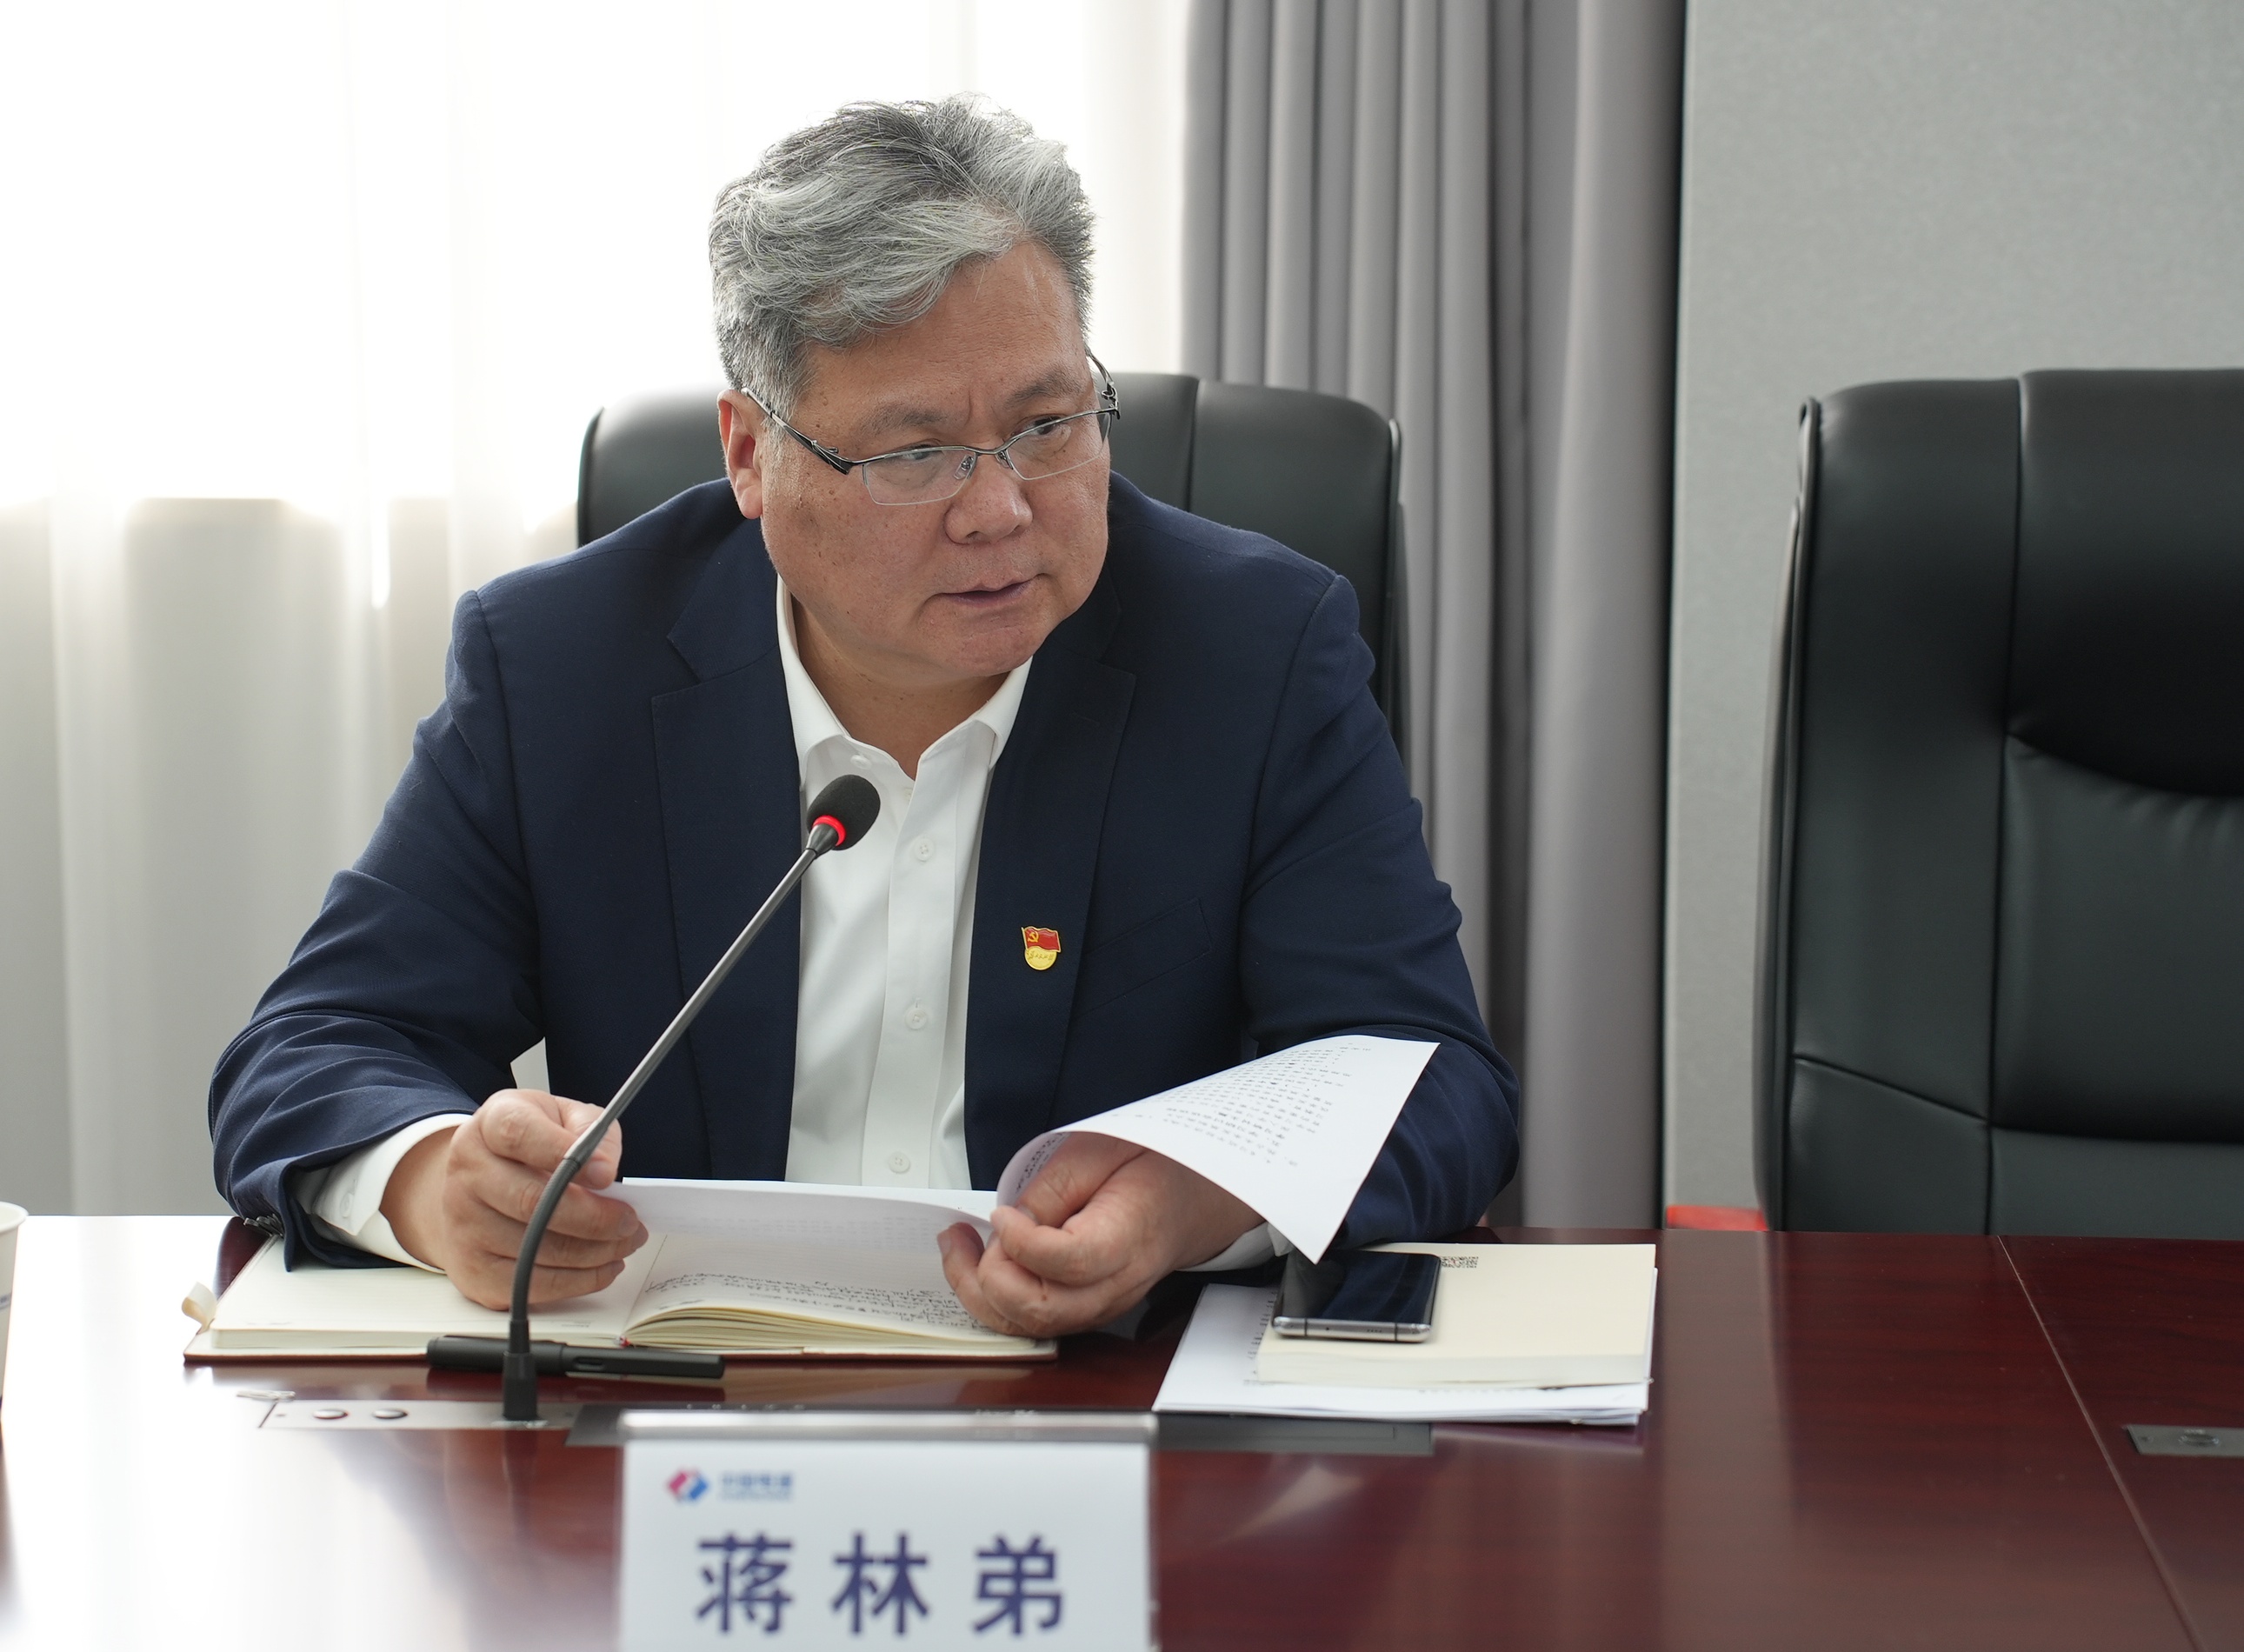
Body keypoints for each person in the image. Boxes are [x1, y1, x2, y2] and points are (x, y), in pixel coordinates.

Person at [209, 97, 1517, 1339]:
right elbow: (317, 1046)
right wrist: (436, 1185)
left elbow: (1433, 1078)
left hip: (1108, 1410)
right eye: (912, 454)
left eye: (1048, 424)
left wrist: (1194, 1201)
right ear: (749, 455)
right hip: (682, 1415)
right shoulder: (559, 667)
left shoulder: (1253, 651)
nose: (999, 508)